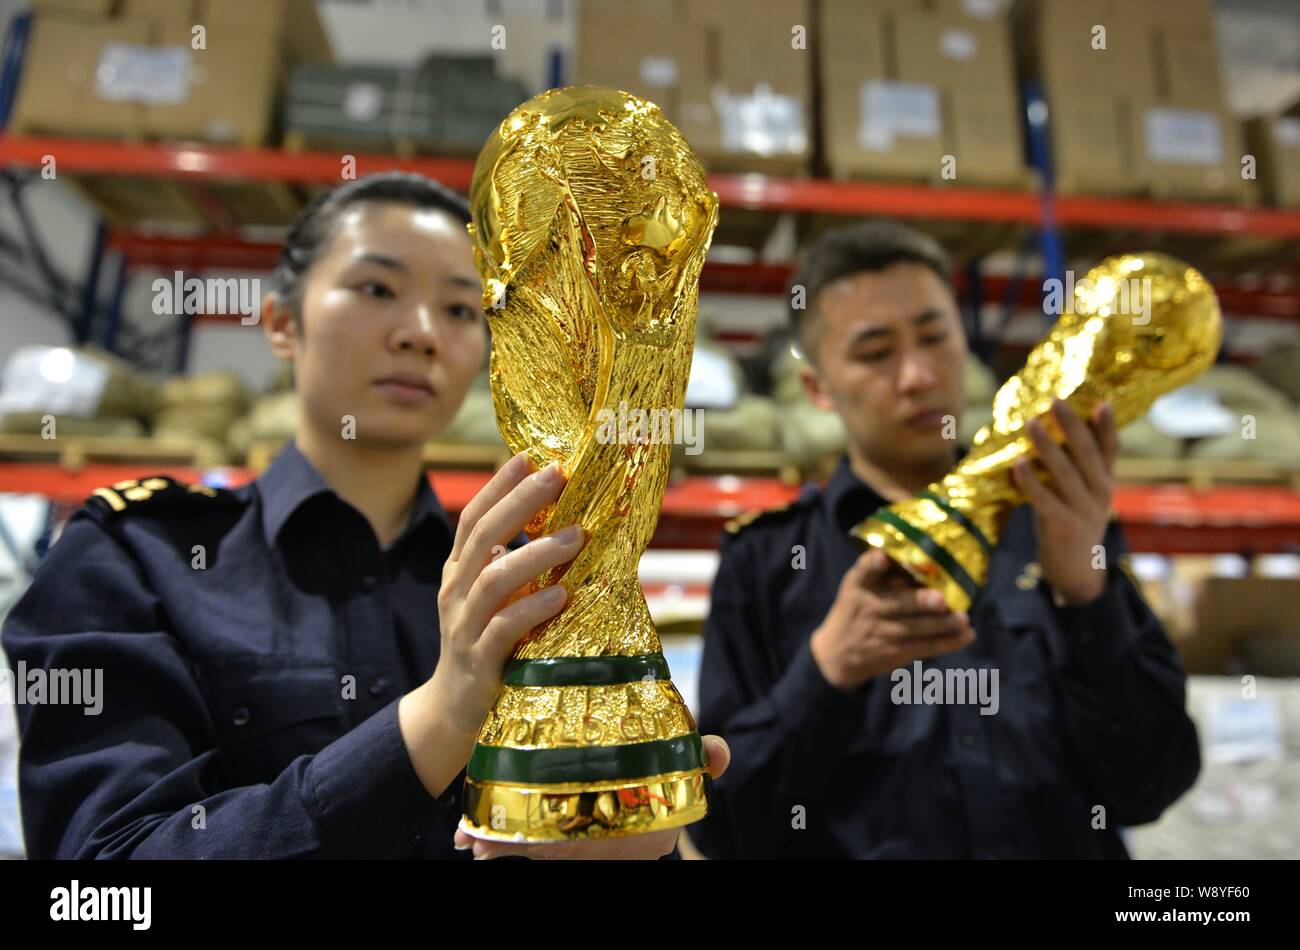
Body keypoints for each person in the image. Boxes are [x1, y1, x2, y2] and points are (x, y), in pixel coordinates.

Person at [2, 172, 727, 860]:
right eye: (376, 288)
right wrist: (442, 716)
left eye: (460, 308)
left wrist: (612, 837)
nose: (421, 333)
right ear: (282, 323)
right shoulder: (136, 558)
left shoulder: (516, 590)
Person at [690, 221, 1199, 859]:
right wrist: (825, 673)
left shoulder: (1058, 522)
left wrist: (1084, 596)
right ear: (818, 388)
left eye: (935, 337)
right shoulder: (767, 561)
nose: (916, 375)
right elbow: (722, 829)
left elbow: (1150, 786)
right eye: (875, 353)